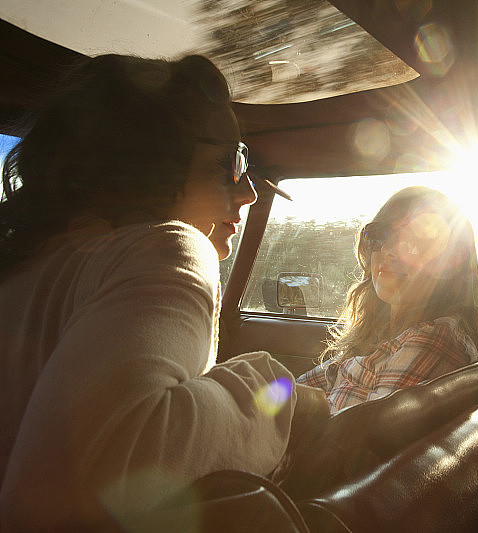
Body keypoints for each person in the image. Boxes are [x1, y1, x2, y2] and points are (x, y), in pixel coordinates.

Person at [0, 54, 327, 531]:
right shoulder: (165, 245)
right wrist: (277, 389)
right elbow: (94, 479)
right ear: (142, 166)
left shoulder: (29, 273)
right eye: (229, 162)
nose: (251, 192)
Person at [297, 186, 478, 413]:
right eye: (380, 236)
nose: (389, 250)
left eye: (413, 242)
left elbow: (353, 439)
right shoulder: (381, 333)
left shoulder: (434, 340)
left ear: (451, 263)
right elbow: (295, 389)